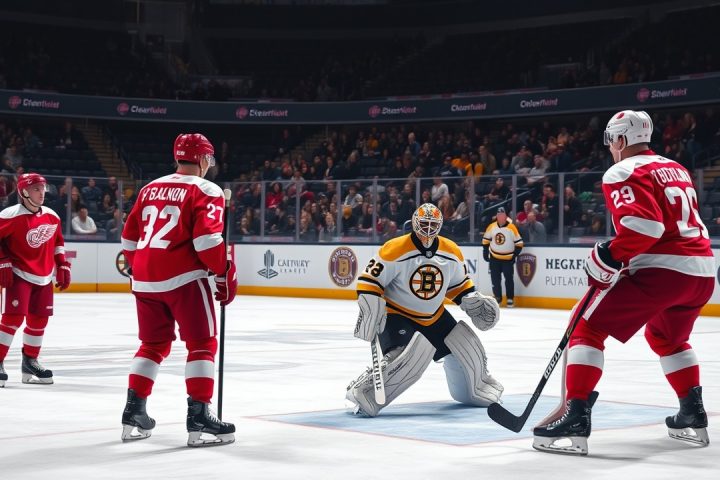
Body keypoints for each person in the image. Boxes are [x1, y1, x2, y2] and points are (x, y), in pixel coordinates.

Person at [534, 110, 715, 455]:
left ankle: (576, 416)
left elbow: (646, 228)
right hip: (702, 271)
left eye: (610, 140)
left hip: (662, 270)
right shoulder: (676, 167)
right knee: (667, 337)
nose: (609, 147)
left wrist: (610, 255)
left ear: (620, 139)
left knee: (584, 327)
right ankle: (692, 413)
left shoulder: (623, 169)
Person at [120, 133, 237, 447]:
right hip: (184, 278)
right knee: (202, 343)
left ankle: (134, 412)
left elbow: (128, 239)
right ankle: (199, 416)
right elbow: (207, 242)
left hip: (144, 279)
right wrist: (224, 271)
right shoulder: (206, 188)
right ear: (203, 159)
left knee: (152, 344)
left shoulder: (150, 187)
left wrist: (143, 266)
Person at [346, 203, 503, 417]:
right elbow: (369, 281)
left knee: (466, 347)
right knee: (407, 358)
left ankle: (475, 388)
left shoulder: (451, 251)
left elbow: (459, 286)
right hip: (397, 314)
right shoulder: (394, 248)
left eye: (432, 224)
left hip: (434, 316)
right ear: (414, 223)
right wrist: (371, 304)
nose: (428, 229)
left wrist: (471, 301)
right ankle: (364, 392)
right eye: (424, 224)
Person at [0, 173, 71, 387]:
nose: (42, 193)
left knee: (39, 320)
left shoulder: (52, 216)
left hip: (44, 277)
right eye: (36, 189)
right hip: (19, 274)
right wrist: (3, 260)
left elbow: (58, 242)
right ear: (23, 192)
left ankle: (30, 362)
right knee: (13, 319)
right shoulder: (9, 215)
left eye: (43, 189)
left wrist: (62, 264)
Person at [482, 207, 523, 307]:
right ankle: (498, 298)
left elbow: (519, 243)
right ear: (497, 216)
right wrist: (485, 252)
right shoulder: (491, 227)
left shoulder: (512, 228)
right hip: (494, 258)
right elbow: (486, 241)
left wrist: (514, 255)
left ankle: (510, 298)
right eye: (499, 215)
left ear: (505, 216)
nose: (500, 217)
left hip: (508, 259)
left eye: (502, 215)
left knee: (509, 279)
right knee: (495, 280)